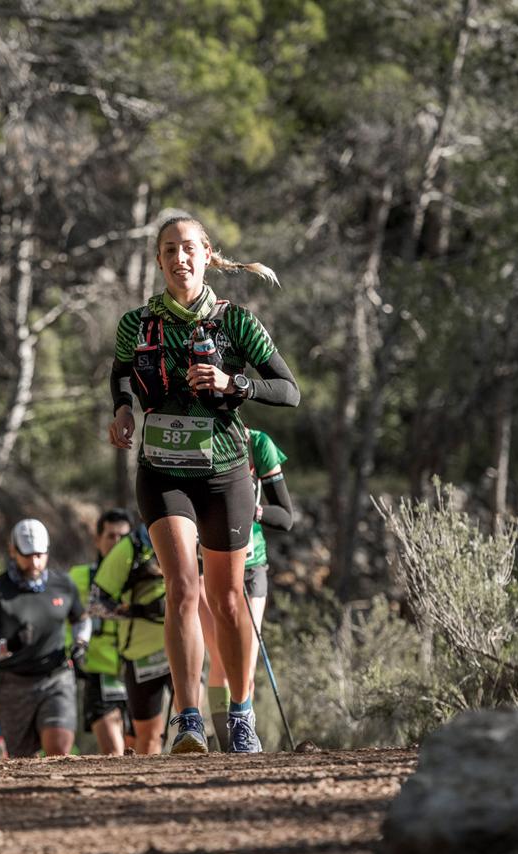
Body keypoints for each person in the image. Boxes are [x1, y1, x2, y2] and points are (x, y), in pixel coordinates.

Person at [108, 215, 300, 754]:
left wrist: (233, 382)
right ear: (159, 259)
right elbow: (121, 372)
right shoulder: (136, 323)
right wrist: (122, 408)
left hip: (224, 472)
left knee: (227, 598)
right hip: (163, 470)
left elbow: (289, 390)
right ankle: (188, 718)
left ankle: (240, 714)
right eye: (168, 250)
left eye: (188, 248)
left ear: (206, 253)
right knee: (182, 589)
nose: (179, 259)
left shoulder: (235, 321)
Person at [199, 426, 294, 750]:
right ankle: (228, 745)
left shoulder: (258, 443)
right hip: (206, 566)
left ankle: (240, 737)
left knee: (244, 662)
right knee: (221, 660)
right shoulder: (195, 435)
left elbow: (285, 517)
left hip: (252, 565)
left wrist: (248, 509)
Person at [0, 519, 90, 758]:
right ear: (13, 551)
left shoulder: (63, 584)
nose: (34, 562)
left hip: (56, 677)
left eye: (39, 555)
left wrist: (80, 643)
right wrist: (7, 645)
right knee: (22, 758)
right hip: (15, 685)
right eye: (27, 555)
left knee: (58, 746)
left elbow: (81, 619)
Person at [88, 524, 171, 755]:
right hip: (141, 655)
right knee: (148, 736)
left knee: (191, 722)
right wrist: (140, 610)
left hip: (183, 646)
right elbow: (95, 603)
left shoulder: (193, 532)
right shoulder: (131, 546)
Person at [68, 509, 134, 756]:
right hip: (97, 674)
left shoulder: (142, 580)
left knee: (144, 750)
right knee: (114, 751)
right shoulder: (78, 578)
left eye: (123, 538)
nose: (117, 543)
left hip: (136, 670)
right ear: (97, 539)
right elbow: (62, 618)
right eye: (111, 536)